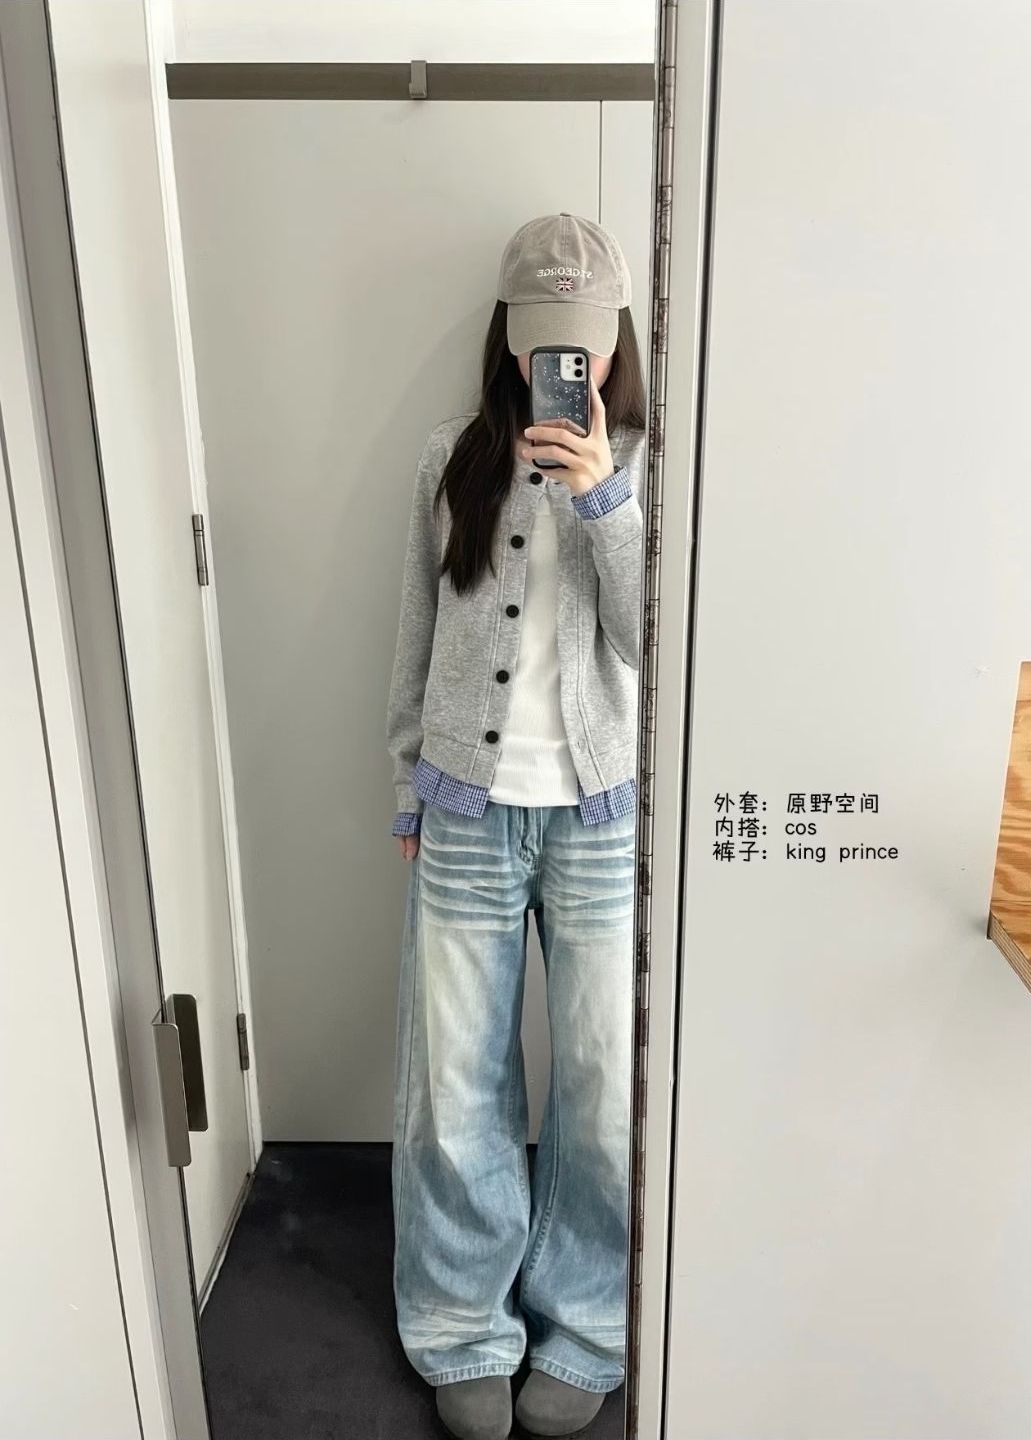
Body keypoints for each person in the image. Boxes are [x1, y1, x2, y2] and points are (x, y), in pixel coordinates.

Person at [385, 212, 647, 1440]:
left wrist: (603, 503)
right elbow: (417, 629)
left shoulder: (648, 464)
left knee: (602, 1091)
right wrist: (406, 784)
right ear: (509, 337)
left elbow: (659, 643)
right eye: (544, 341)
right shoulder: (454, 456)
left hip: (601, 822)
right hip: (465, 810)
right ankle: (459, 1326)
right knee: (455, 1087)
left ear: (615, 343)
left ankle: (588, 1326)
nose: (564, 364)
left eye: (583, 343)